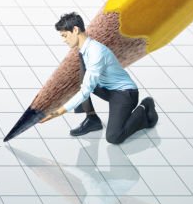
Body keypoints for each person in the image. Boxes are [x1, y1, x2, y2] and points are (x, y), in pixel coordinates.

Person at [41, 12, 157, 144]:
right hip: (108, 89)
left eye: (65, 35)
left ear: (75, 30)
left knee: (114, 137)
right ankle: (92, 119)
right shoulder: (84, 50)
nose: (64, 40)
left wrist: (57, 112)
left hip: (125, 94)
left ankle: (144, 107)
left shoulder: (96, 52)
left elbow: (85, 91)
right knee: (80, 78)